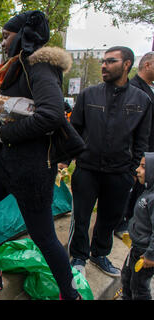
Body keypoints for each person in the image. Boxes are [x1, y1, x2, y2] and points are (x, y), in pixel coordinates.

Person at [0, 11, 82, 300]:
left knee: (43, 237)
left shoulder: (41, 66)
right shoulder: (18, 66)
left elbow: (51, 115)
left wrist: (4, 135)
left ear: (24, 34)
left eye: (5, 36)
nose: (2, 42)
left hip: (33, 169)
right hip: (7, 162)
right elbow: (18, 109)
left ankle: (69, 295)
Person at [64, 46, 152, 278]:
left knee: (109, 217)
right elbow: (75, 131)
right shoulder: (88, 95)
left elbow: (142, 140)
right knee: (81, 216)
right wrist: (65, 161)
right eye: (103, 61)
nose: (104, 65)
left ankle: (99, 254)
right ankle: (79, 257)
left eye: (111, 61)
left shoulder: (142, 100)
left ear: (126, 65)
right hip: (87, 169)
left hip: (120, 173)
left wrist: (132, 171)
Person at [115, 52, 154, 238]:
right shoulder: (133, 89)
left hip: (146, 147)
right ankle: (121, 221)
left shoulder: (149, 89)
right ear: (147, 65)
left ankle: (134, 220)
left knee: (142, 187)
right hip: (135, 150)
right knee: (131, 186)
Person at [121, 153, 154, 300]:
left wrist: (151, 255)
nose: (137, 170)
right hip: (136, 248)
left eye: (143, 167)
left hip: (145, 253)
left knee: (139, 288)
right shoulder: (147, 191)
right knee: (127, 278)